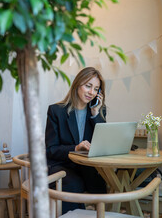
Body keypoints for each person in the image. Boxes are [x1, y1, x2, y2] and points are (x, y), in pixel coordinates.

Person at [45, 67, 107, 214]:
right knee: (73, 184)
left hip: (87, 166)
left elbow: (102, 142)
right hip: (61, 165)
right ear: (77, 84)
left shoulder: (98, 112)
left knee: (101, 184)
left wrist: (95, 115)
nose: (91, 92)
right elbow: (51, 150)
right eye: (88, 86)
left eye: (96, 89)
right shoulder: (56, 111)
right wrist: (76, 148)